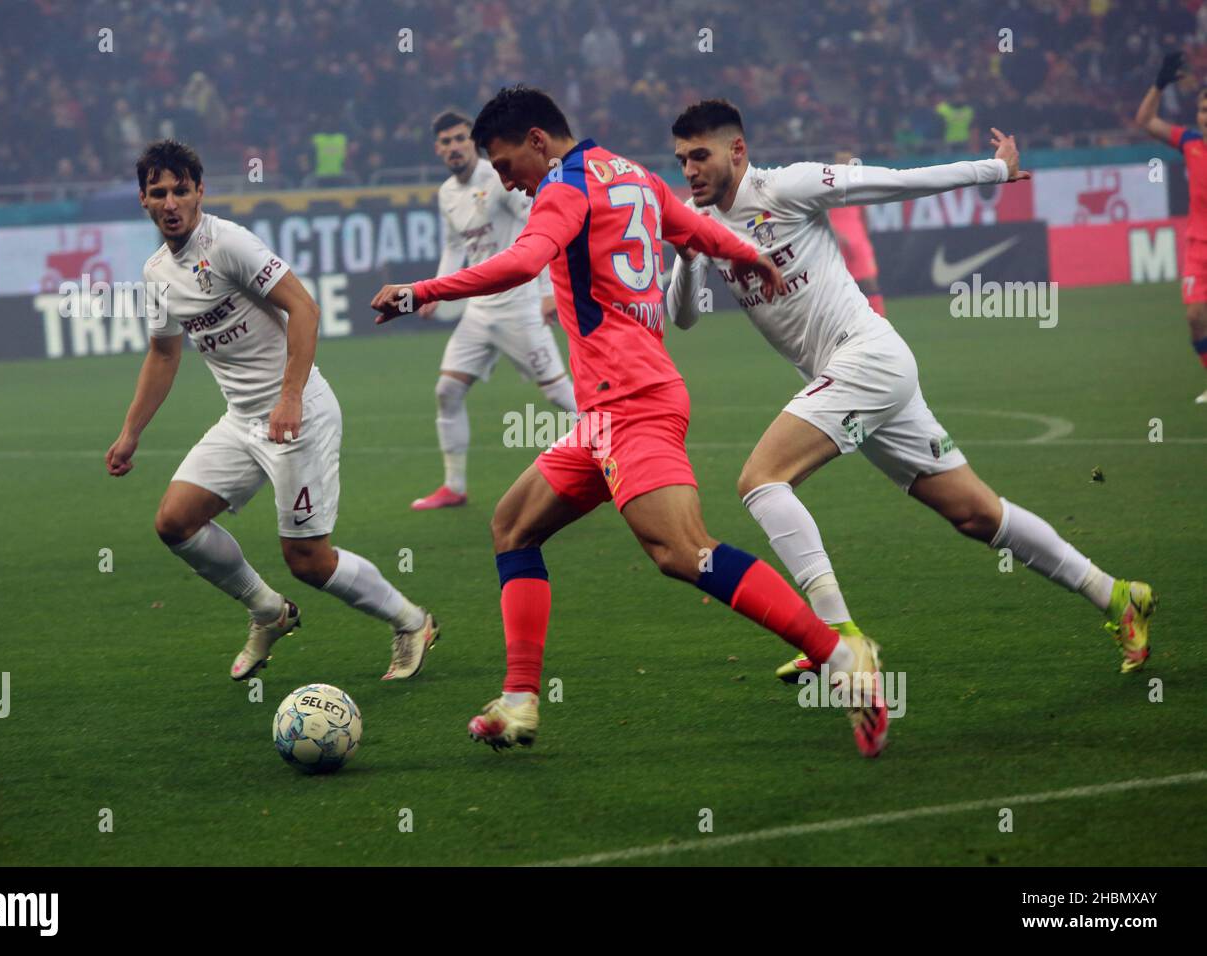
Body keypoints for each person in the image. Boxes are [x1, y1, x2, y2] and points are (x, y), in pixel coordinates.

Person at [372, 86, 889, 758]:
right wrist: (749, 255)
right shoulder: (632, 174)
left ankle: (841, 658)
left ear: (537, 141)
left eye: (504, 166)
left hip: (633, 403)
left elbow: (525, 262)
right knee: (512, 527)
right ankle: (521, 701)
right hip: (607, 411)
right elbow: (695, 230)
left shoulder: (564, 185)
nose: (504, 181)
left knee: (684, 552)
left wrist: (422, 292)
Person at [664, 100, 1155, 683]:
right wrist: (689, 254)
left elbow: (890, 183)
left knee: (760, 481)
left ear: (736, 151)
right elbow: (685, 318)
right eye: (682, 160)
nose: (690, 170)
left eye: (700, 156)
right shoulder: (700, 221)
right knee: (975, 514)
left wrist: (992, 171)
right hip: (859, 377)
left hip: (864, 357)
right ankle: (1117, 595)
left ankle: (836, 640)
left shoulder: (785, 187)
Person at [106, 139, 439, 684]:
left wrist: (289, 397)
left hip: (298, 413)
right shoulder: (156, 273)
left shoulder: (230, 243)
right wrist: (130, 433)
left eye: (180, 191)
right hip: (242, 421)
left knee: (307, 560)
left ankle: (411, 622)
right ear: (143, 200)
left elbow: (304, 308)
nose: (170, 203)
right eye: (158, 192)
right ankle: (267, 611)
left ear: (199, 192)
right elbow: (164, 354)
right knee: (175, 522)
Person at [411, 110, 576, 511]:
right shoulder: (447, 193)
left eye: (460, 139)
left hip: (520, 306)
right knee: (447, 390)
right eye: (446, 142)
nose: (454, 147)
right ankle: (454, 486)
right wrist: (435, 289)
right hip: (479, 311)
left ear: (474, 142)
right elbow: (455, 247)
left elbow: (538, 230)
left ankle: (614, 455)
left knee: (561, 396)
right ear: (438, 150)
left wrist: (546, 290)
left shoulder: (499, 179)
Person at [1135, 51, 1207, 404]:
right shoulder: (1191, 142)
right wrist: (1159, 85)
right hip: (1198, 247)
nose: (1205, 116)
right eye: (1203, 110)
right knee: (1195, 317)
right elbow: (1145, 120)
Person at [827, 150, 886, 317]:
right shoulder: (828, 188)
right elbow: (824, 216)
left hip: (859, 241)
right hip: (837, 243)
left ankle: (880, 320)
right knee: (841, 287)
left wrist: (865, 240)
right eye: (840, 160)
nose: (844, 164)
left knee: (870, 282)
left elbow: (864, 215)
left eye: (847, 160)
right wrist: (837, 235)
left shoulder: (858, 188)